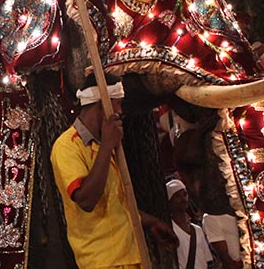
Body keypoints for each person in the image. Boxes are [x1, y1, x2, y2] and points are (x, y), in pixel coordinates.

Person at [50, 80, 174, 269]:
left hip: (132, 255)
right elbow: (86, 201)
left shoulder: (102, 146)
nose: (120, 110)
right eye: (117, 103)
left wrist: (150, 222)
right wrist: (107, 145)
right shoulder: (66, 146)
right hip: (103, 261)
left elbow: (117, 206)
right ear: (103, 105)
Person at [164, 180, 212, 269]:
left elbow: (207, 260)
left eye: (185, 194)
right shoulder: (169, 230)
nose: (183, 199)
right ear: (169, 201)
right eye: (177, 196)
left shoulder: (197, 230)